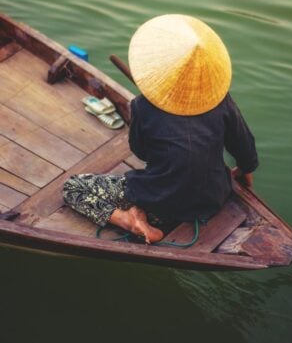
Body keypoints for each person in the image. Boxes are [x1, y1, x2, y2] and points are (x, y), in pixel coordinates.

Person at [62, 14, 258, 244]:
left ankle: (128, 220)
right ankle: (142, 211)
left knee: (73, 188)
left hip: (159, 202)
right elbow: (245, 150)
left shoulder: (142, 106)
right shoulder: (222, 101)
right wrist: (244, 176)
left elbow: (141, 152)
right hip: (215, 197)